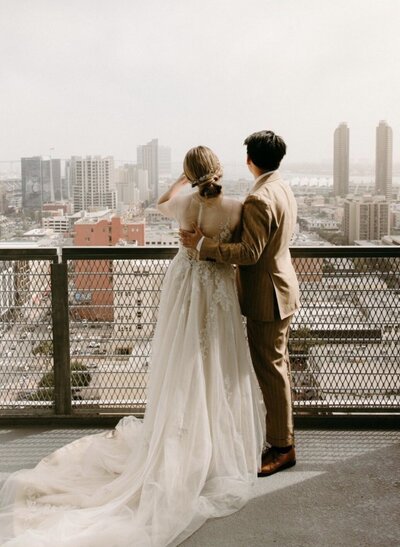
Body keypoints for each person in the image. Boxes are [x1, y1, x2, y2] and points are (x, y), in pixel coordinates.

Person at [0, 146, 265, 547]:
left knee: (183, 363)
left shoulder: (183, 204)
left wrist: (181, 181)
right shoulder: (236, 206)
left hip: (186, 287)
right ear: (218, 170)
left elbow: (160, 203)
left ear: (190, 174)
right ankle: (216, 447)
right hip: (219, 289)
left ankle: (186, 439)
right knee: (218, 364)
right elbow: (242, 250)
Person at [180, 130, 300, 476]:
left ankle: (282, 447)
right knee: (277, 366)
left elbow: (249, 253)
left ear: (250, 159)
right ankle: (280, 438)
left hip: (268, 295)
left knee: (271, 370)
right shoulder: (281, 186)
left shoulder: (259, 198)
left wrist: (204, 246)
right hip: (281, 287)